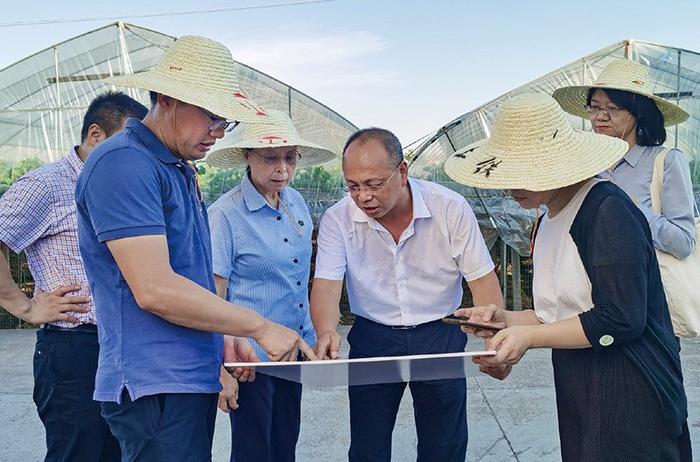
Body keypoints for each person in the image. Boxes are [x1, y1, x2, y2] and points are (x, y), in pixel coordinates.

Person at [75, 36, 316, 462]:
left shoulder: (176, 168)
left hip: (185, 379)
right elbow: (155, 289)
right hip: (155, 382)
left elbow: (191, 276)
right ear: (168, 98)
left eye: (226, 122)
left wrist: (223, 335)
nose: (218, 131)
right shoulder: (124, 163)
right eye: (212, 116)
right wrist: (256, 326)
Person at [444, 92, 692, 461]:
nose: (512, 187)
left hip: (629, 385)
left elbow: (621, 318)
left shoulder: (607, 210)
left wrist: (529, 337)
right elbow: (559, 311)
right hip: (580, 379)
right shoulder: (547, 216)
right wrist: (506, 321)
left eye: (524, 172)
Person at [310, 127, 503, 462]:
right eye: (353, 186)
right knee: (368, 445)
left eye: (373, 184)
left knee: (444, 443)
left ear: (402, 171)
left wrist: (495, 344)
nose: (363, 196)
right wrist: (326, 331)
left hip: (440, 333)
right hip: (374, 338)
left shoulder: (449, 209)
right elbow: (327, 284)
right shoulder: (337, 219)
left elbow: (482, 281)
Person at [0, 91, 147, 462]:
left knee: (121, 451)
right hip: (75, 348)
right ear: (95, 134)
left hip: (125, 347)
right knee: (78, 452)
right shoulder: (47, 185)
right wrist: (25, 306)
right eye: (125, 144)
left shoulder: (124, 188)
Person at [206, 110, 336, 462]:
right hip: (251, 357)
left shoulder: (295, 203)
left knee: (284, 441)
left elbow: (297, 277)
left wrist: (312, 336)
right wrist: (221, 359)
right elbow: (214, 294)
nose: (282, 169)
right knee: (253, 449)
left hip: (292, 350)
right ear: (247, 156)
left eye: (290, 158)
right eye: (270, 158)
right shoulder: (226, 215)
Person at [552, 58, 695, 260]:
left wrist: (628, 207)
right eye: (594, 107)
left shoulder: (665, 161)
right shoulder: (586, 167)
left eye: (613, 108)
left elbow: (683, 243)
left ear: (638, 113)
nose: (600, 116)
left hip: (649, 286)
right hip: (594, 285)